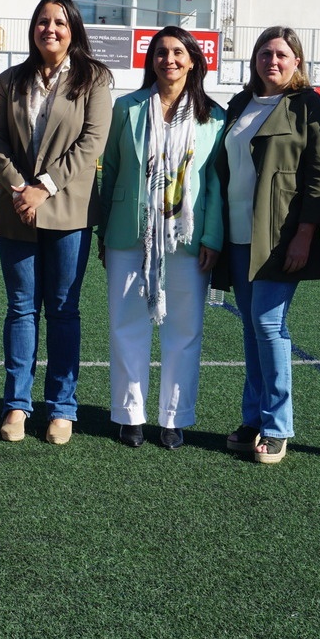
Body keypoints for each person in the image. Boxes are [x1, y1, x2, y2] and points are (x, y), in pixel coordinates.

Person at [0, 0, 112, 446]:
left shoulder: (94, 79)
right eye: (43, 22)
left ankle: (62, 408)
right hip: (17, 209)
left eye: (59, 22)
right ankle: (17, 405)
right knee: (21, 309)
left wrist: (44, 187)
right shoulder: (11, 79)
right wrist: (19, 188)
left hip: (68, 211)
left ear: (73, 29)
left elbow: (92, 141)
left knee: (62, 311)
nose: (50, 29)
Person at [98, 27, 225, 449]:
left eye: (177, 52)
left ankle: (174, 418)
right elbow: (111, 169)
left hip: (187, 237)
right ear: (150, 60)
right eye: (160, 52)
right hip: (128, 232)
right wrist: (103, 230)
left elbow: (215, 183)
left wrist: (212, 236)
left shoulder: (214, 117)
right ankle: (129, 415)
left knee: (184, 331)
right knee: (126, 326)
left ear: (193, 61)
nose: (168, 59)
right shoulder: (127, 107)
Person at [213, 26, 320, 463]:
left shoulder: (310, 107)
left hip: (280, 236)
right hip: (237, 235)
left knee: (268, 325)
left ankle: (278, 425)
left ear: (297, 61)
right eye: (265, 53)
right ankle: (253, 419)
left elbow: (319, 177)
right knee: (251, 328)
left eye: (282, 54)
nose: (273, 61)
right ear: (255, 60)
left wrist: (305, 234)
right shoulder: (241, 103)